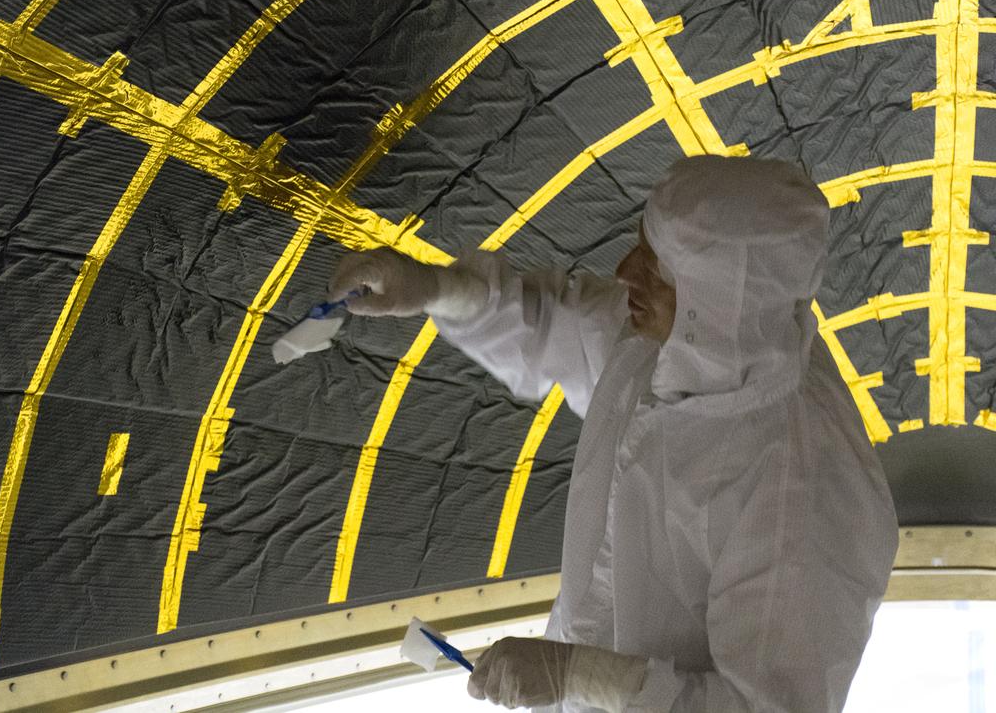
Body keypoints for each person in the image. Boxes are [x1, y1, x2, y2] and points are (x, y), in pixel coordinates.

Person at [328, 156, 899, 712]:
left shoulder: (804, 493)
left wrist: (578, 675)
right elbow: (556, 323)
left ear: (720, 298)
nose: (626, 271)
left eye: (656, 266)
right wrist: (432, 287)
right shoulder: (672, 338)